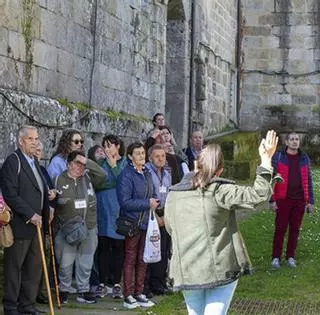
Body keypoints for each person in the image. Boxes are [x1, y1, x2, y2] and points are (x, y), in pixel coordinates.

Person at [164, 130, 278, 315]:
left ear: (194, 164)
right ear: (220, 170)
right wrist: (265, 160)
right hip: (218, 266)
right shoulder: (219, 190)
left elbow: (170, 228)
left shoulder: (173, 195)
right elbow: (258, 194)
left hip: (187, 268)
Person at [0, 125, 50, 315]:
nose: (35, 142)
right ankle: (11, 307)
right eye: (31, 139)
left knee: (34, 267)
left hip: (37, 225)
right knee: (15, 267)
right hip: (21, 224)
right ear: (21, 141)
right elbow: (10, 194)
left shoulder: (33, 161)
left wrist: (47, 209)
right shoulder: (14, 162)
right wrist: (30, 214)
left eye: (36, 139)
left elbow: (39, 189)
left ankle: (27, 305)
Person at [53, 151, 105, 305]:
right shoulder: (57, 179)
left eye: (82, 164)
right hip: (66, 229)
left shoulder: (88, 177)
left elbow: (102, 175)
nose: (80, 166)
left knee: (86, 261)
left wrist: (87, 161)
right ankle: (64, 290)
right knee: (65, 262)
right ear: (68, 164)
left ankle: (83, 290)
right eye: (77, 162)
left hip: (88, 226)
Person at [116, 141, 159, 309]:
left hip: (146, 223)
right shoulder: (126, 175)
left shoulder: (147, 172)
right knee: (130, 258)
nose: (142, 156)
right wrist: (147, 204)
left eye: (143, 153)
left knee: (143, 258)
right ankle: (127, 294)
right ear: (130, 156)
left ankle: (139, 293)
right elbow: (125, 202)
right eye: (138, 153)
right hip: (132, 223)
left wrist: (155, 201)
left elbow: (152, 193)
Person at [270, 132, 314, 269]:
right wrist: (272, 200)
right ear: (287, 142)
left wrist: (310, 201)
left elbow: (309, 179)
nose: (295, 142)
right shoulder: (279, 157)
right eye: (292, 139)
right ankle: (276, 257)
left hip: (300, 200)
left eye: (297, 139)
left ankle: (290, 257)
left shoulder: (304, 158)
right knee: (280, 229)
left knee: (295, 229)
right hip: (283, 199)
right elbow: (271, 179)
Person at [90, 136, 127, 299]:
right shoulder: (100, 164)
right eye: (104, 145)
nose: (106, 149)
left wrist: (113, 167)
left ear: (118, 147)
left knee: (118, 246)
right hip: (103, 208)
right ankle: (103, 283)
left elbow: (124, 183)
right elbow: (96, 183)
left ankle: (117, 283)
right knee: (103, 245)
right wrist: (109, 182)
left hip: (118, 208)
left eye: (110, 145)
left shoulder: (125, 163)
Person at [144, 144, 172, 296]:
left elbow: (169, 194)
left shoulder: (167, 173)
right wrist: (156, 217)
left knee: (163, 251)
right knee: (150, 250)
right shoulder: (147, 172)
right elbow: (146, 195)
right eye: (157, 156)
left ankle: (159, 283)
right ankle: (146, 285)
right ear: (150, 158)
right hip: (151, 214)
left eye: (163, 156)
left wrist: (166, 216)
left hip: (164, 213)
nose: (161, 159)